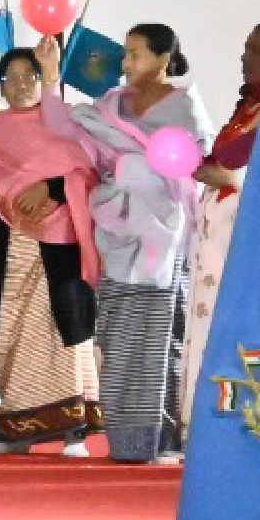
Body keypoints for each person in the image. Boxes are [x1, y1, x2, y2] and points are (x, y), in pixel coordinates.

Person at [72, 23, 207, 463]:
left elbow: (196, 163)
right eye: (125, 54)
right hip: (115, 225)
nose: (125, 63)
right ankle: (122, 439)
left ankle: (160, 439)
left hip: (162, 235)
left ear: (163, 59)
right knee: (114, 334)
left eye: (135, 54)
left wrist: (142, 167)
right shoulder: (110, 104)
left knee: (156, 337)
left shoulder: (185, 102)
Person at [0, 41, 105, 452]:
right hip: (18, 240)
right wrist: (19, 199)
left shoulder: (63, 120)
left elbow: (89, 171)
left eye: (29, 76)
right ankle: (20, 426)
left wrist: (53, 187)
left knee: (66, 328)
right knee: (16, 328)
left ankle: (74, 429)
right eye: (10, 78)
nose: (20, 85)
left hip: (63, 238)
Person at [175, 23, 260, 422]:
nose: (244, 57)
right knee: (206, 318)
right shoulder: (249, 107)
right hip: (218, 222)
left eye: (255, 50)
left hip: (243, 224)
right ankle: (204, 420)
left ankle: (236, 419)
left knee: (234, 320)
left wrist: (227, 176)